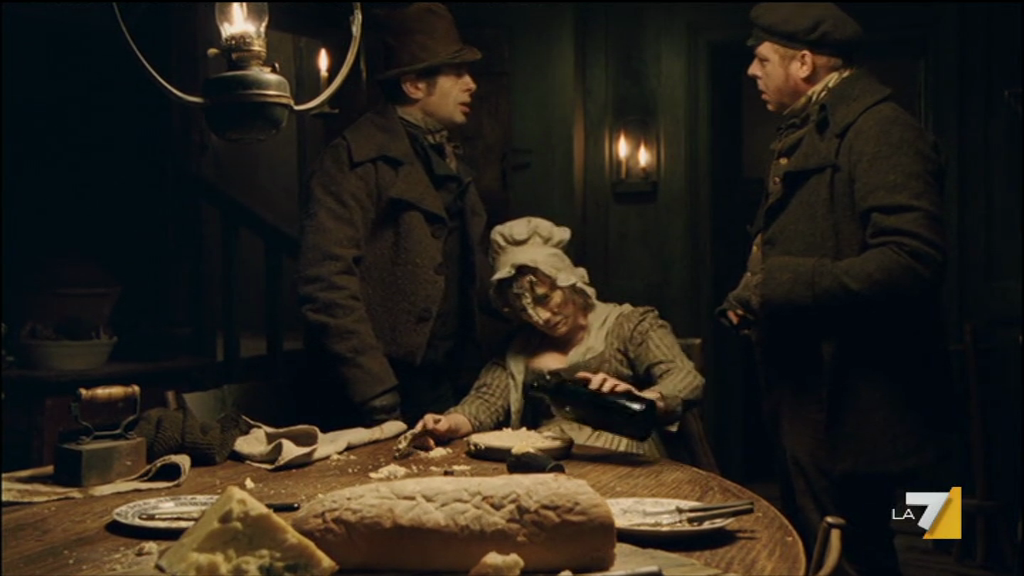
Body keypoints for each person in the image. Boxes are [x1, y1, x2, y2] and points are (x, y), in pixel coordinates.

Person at [718, 3, 958, 575]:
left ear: (803, 63)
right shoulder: (812, 126)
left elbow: (912, 260)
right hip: (811, 395)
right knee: (830, 547)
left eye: (762, 59)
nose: (752, 71)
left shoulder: (880, 130)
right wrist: (752, 294)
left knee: (860, 548)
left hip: (857, 404)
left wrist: (783, 283)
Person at [296, 3, 506, 431]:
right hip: (374, 389)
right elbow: (325, 281)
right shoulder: (353, 160)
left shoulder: (450, 160)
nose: (471, 84)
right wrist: (375, 392)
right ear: (413, 85)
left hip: (447, 381)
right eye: (456, 73)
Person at [414, 217, 705, 460]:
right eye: (523, 309)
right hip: (549, 464)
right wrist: (447, 424)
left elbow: (683, 377)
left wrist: (646, 399)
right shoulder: (521, 347)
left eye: (545, 298)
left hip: (624, 460)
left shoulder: (630, 325)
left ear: (569, 281)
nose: (541, 317)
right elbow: (484, 404)